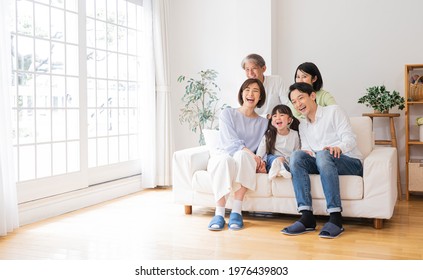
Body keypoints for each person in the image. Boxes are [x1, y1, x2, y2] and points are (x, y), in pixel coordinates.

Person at [281, 82, 363, 238]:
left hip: (349, 161)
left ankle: (335, 218)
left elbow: (350, 138)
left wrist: (338, 147)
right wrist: (303, 154)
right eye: (294, 102)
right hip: (322, 161)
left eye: (301, 98)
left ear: (312, 96)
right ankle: (307, 217)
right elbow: (307, 149)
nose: (298, 104)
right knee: (297, 156)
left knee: (323, 154)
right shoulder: (303, 125)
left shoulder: (334, 111)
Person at [207, 78, 268, 231]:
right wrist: (250, 152)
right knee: (226, 160)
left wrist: (261, 160)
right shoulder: (227, 114)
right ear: (241, 94)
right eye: (247, 90)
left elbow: (264, 146)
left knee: (243, 156)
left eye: (255, 91)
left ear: (260, 97)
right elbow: (231, 142)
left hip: (246, 160)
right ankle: (219, 213)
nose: (251, 93)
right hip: (224, 155)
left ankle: (236, 211)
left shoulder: (263, 123)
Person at [256, 104, 300, 180]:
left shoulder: (295, 135)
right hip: (272, 161)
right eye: (275, 116)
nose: (278, 118)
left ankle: (281, 169)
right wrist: (260, 162)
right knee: (272, 158)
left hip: (287, 163)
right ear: (272, 121)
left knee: (284, 161)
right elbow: (261, 150)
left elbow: (297, 152)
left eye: (281, 115)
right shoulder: (270, 134)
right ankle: (277, 169)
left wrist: (285, 161)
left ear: (289, 120)